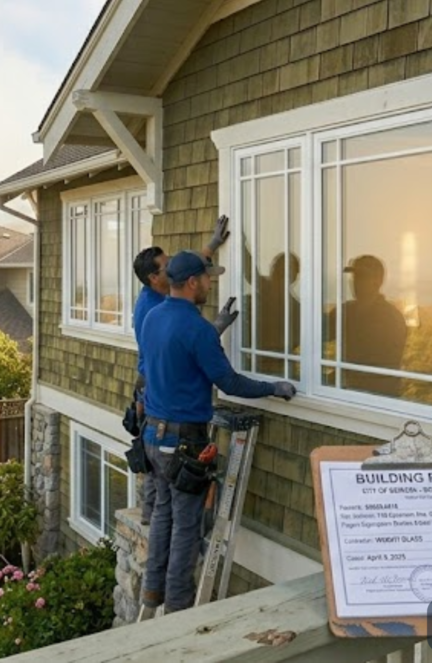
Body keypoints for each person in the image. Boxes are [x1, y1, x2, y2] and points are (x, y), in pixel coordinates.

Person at [139, 250, 297, 614]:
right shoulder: (196, 328)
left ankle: (152, 591)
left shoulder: (153, 317)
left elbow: (167, 356)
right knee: (187, 525)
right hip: (184, 444)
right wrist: (273, 387)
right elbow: (227, 382)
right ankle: (178, 608)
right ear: (193, 282)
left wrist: (213, 330)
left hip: (153, 438)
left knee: (164, 511)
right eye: (209, 277)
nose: (212, 283)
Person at [129, 216, 238, 525]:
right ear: (154, 278)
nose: (172, 267)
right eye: (167, 266)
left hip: (161, 391)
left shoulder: (162, 294)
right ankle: (151, 518)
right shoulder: (150, 308)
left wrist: (212, 246)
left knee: (160, 472)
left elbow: (186, 270)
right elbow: (180, 348)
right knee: (159, 475)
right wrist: (213, 328)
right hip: (156, 387)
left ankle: (157, 521)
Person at [327, 255, 407, 397]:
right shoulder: (346, 311)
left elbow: (380, 366)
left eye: (362, 277)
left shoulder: (391, 318)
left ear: (377, 282)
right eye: (355, 277)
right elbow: (319, 334)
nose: (356, 282)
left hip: (376, 398)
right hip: (350, 392)